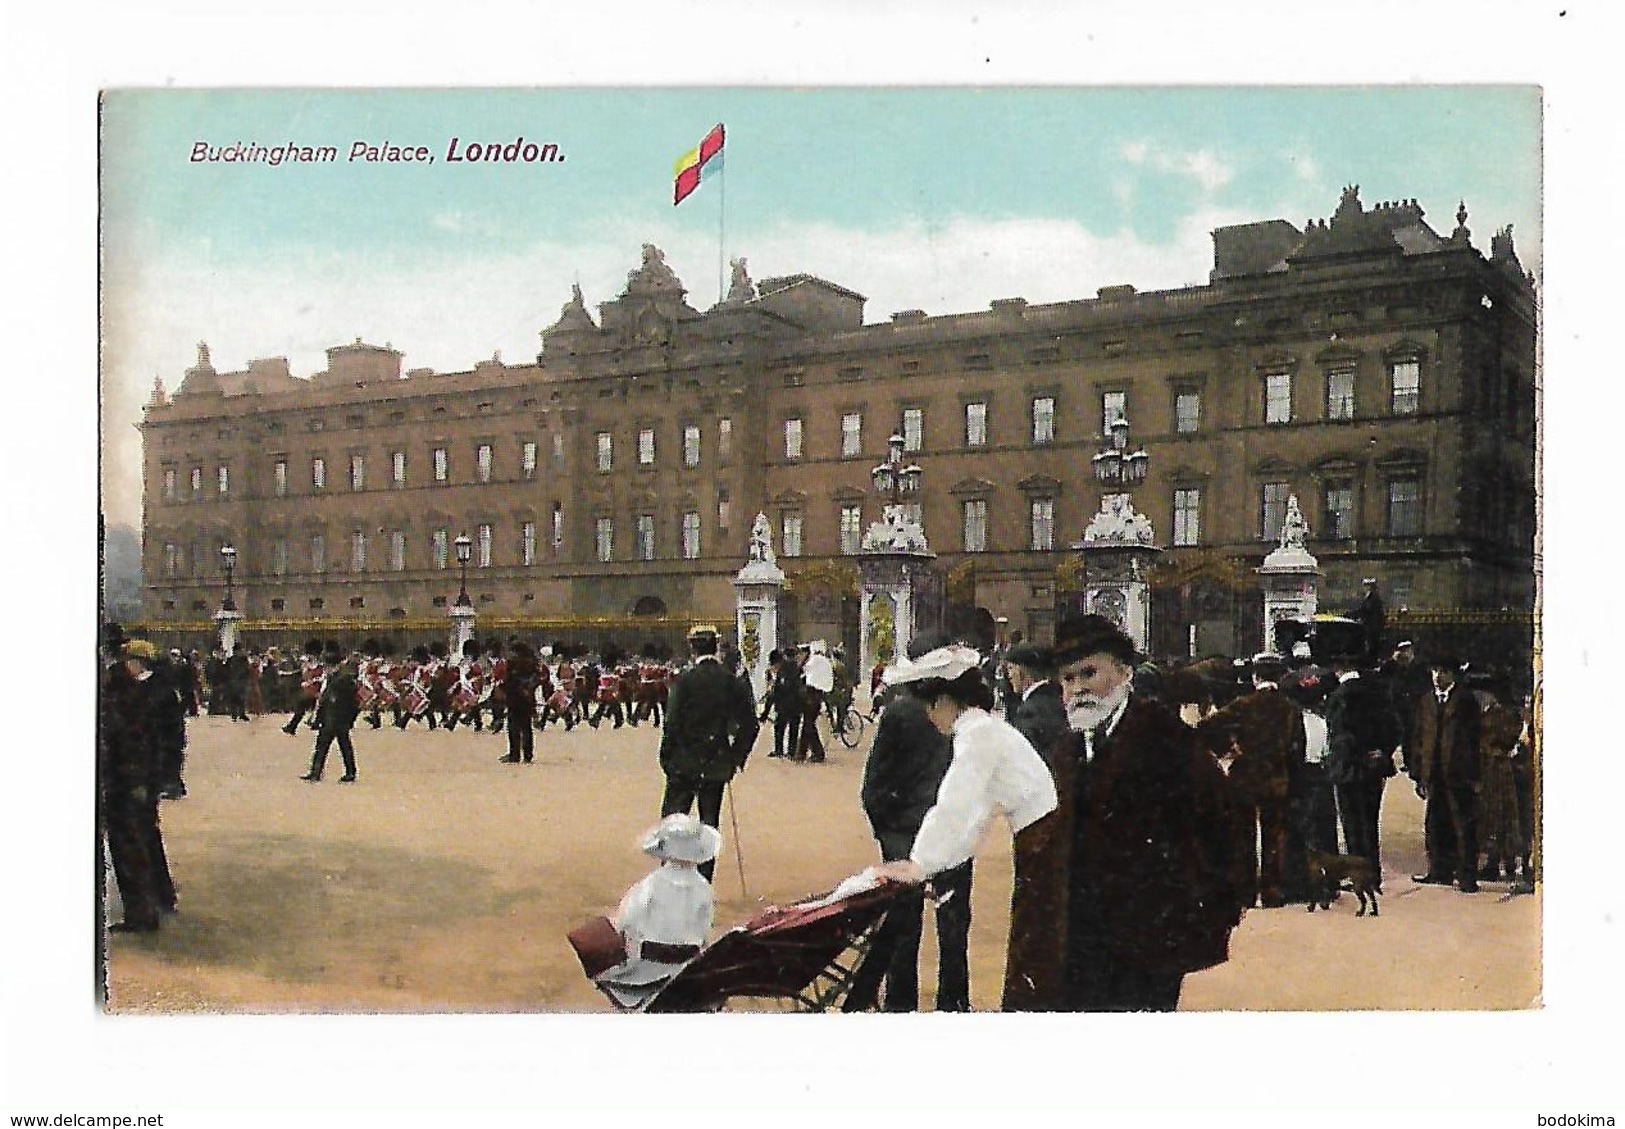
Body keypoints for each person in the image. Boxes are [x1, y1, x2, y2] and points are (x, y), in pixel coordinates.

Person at [999, 614, 1243, 1012]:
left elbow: (1220, 823)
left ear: (1125, 672)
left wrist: (1204, 911)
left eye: (1089, 674)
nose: (1078, 689)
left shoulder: (1166, 738)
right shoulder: (1065, 748)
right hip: (1078, 933)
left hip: (1147, 937)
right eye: (1068, 680)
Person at [867, 643, 1059, 1008]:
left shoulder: (977, 735)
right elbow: (973, 814)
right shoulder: (982, 730)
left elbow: (956, 804)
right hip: (1037, 837)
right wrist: (933, 861)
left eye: (928, 708)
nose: (929, 718)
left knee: (1033, 943)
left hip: (1044, 838)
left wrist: (920, 863)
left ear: (943, 701)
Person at [849, 634, 973, 1013]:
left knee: (904, 927)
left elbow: (874, 787)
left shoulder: (900, 711)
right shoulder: (965, 714)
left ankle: (901, 1006)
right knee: (953, 927)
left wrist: (889, 835)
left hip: (907, 835)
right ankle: (954, 1004)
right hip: (952, 832)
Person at [1197, 652, 1308, 908]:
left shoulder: (1242, 704)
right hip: (1277, 779)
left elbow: (1204, 730)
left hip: (1244, 778)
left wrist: (1228, 750)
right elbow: (1296, 749)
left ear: (1255, 676)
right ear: (1280, 677)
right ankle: (1272, 891)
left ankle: (1246, 892)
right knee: (1275, 836)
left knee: (1243, 835)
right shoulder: (1291, 709)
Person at [656, 626, 760, 882]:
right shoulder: (730, 681)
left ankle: (670, 878)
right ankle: (703, 881)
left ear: (693, 648)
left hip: (684, 762)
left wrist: (667, 758)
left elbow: (672, 723)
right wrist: (736, 757)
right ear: (716, 647)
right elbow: (751, 724)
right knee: (708, 824)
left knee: (673, 822)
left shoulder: (685, 680)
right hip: (716, 763)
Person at [593, 813, 720, 1009]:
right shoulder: (704, 888)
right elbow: (704, 931)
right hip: (686, 965)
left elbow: (626, 920)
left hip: (649, 963)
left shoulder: (651, 884)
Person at [100, 635, 178, 931]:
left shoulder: (123, 690)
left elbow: (135, 739)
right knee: (144, 838)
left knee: (130, 844)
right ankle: (159, 898)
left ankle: (143, 913)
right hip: (140, 777)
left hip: (129, 779)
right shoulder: (138, 689)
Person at [1324, 647, 1402, 877]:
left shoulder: (1339, 697)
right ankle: (1373, 871)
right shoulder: (1378, 693)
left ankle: (1359, 873)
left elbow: (1340, 736)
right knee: (1370, 821)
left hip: (1349, 767)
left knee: (1352, 824)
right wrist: (1382, 751)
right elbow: (1396, 727)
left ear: (1338, 669)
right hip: (1374, 766)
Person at [1408, 656, 1482, 892]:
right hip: (1433, 771)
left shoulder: (1465, 700)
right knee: (1435, 823)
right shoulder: (1426, 701)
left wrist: (1474, 774)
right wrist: (1419, 773)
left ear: (1452, 675)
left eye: (1442, 671)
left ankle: (1467, 875)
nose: (1437, 677)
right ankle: (1439, 870)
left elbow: (1474, 740)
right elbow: (1419, 738)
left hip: (1459, 772)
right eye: (1434, 671)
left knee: (1463, 824)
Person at [302, 644, 361, 783]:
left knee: (337, 746)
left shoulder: (343, 679)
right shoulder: (333, 678)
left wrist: (349, 719)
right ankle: (317, 772)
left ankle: (346, 772)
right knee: (327, 746)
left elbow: (351, 701)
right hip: (331, 718)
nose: (325, 669)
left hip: (338, 718)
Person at [1003, 642, 1068, 763]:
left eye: (1011, 668)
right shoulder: (1057, 698)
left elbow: (1021, 758)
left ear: (1021, 671)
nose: (1009, 676)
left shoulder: (1029, 711)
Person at [500, 641, 540, 763]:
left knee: (513, 727)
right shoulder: (533, 663)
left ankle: (514, 754)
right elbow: (536, 680)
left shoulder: (513, 663)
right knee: (526, 727)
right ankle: (528, 754)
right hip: (528, 698)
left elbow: (509, 681)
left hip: (515, 698)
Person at [767, 646, 804, 760]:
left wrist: (768, 708)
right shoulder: (792, 667)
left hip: (788, 704)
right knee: (788, 727)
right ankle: (787, 751)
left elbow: (779, 690)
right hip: (793, 704)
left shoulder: (786, 670)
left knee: (783, 727)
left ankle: (785, 751)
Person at [799, 642, 833, 763]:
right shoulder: (825, 661)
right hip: (818, 695)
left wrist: (803, 660)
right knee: (808, 724)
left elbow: (802, 670)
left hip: (811, 695)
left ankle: (817, 752)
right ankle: (802, 752)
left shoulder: (815, 660)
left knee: (808, 725)